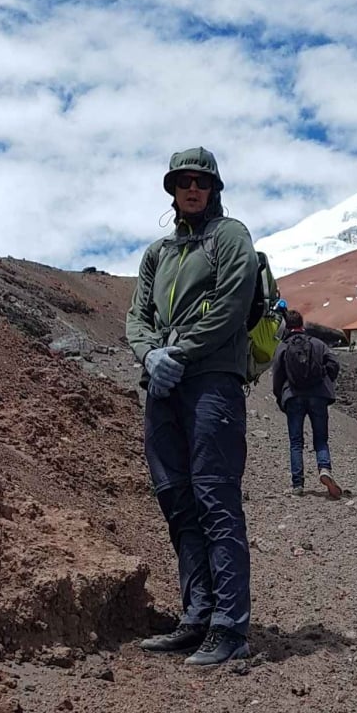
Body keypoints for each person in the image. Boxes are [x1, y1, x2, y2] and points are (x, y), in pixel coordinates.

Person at [124, 148, 256, 666]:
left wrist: (181, 350)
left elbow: (233, 301)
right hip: (163, 388)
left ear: (214, 187)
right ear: (173, 190)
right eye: (183, 182)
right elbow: (137, 315)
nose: (192, 189)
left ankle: (230, 628)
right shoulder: (157, 254)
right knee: (178, 503)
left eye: (201, 181)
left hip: (212, 384)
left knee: (215, 501)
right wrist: (151, 353)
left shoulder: (230, 237)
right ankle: (196, 616)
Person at [271, 310, 342, 498]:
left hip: (293, 396)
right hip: (318, 395)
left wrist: (281, 397)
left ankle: (297, 485)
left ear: (286, 326)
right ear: (302, 324)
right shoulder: (318, 344)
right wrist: (325, 380)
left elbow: (277, 374)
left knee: (296, 442)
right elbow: (334, 363)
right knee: (320, 439)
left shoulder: (283, 347)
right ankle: (324, 468)